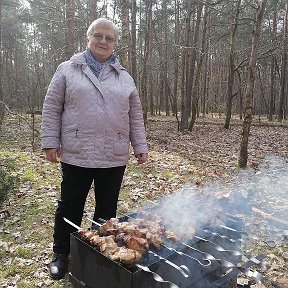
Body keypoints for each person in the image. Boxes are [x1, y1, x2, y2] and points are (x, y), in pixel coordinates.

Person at [40, 18, 148, 280]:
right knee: (69, 208)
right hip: (78, 152)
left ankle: (96, 257)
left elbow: (135, 114)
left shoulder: (124, 78)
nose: (103, 41)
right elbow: (52, 106)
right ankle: (61, 254)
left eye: (109, 38)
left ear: (114, 44)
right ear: (88, 38)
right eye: (98, 36)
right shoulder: (67, 69)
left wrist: (140, 146)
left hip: (113, 155)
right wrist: (50, 141)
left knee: (106, 213)